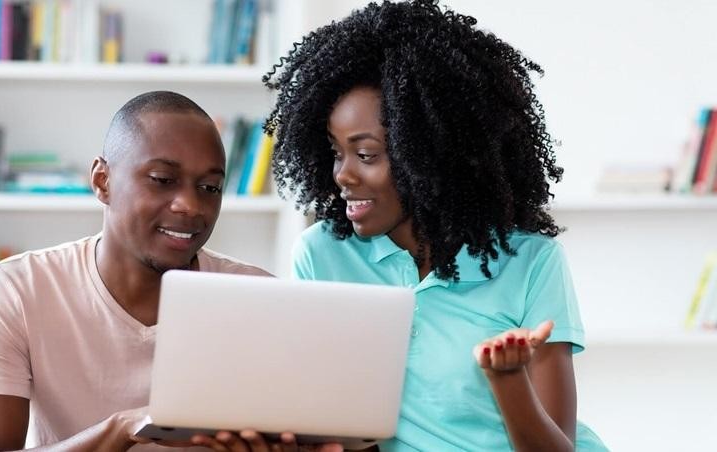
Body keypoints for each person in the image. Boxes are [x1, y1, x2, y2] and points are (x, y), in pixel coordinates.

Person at [258, 1, 609, 451]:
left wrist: (508, 379)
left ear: (432, 153)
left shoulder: (531, 262)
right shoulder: (322, 254)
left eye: (366, 155)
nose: (342, 175)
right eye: (335, 152)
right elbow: (335, 426)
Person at [0, 91, 333, 452]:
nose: (190, 205)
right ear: (103, 181)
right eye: (162, 180)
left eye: (209, 187)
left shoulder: (259, 296)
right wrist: (123, 429)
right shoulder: (20, 289)